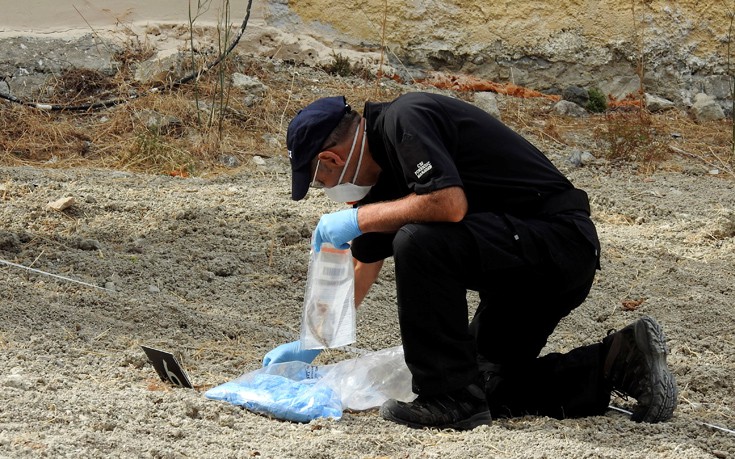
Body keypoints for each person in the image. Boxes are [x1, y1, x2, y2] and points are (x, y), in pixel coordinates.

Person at [262, 92, 677, 430]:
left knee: (418, 241)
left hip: (557, 242)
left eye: (319, 180)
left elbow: (448, 204)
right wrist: (310, 343)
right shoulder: (382, 180)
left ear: (331, 159)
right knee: (486, 386)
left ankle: (447, 398)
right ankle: (615, 361)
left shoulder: (405, 119)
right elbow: (361, 267)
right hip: (517, 268)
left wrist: (356, 218)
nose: (326, 189)